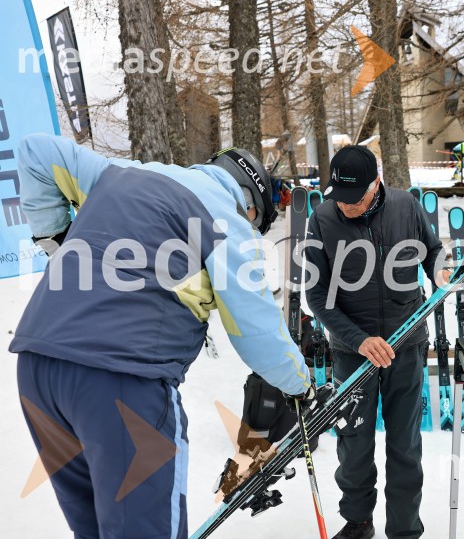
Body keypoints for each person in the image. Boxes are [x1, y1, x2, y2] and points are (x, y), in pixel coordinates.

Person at [11, 134, 314, 539]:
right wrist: (301, 385)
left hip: (38, 368)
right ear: (251, 203)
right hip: (122, 379)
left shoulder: (121, 174)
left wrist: (59, 241)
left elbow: (35, 151)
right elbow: (257, 333)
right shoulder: (228, 221)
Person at [304, 145, 444, 539]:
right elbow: (316, 296)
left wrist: (439, 269)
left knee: (404, 445)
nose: (347, 207)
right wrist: (359, 339)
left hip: (406, 343)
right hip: (353, 352)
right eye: (341, 199)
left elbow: (431, 251)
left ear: (377, 184)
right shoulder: (322, 219)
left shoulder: (405, 206)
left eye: (356, 199)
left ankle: (404, 530)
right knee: (354, 445)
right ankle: (358, 521)